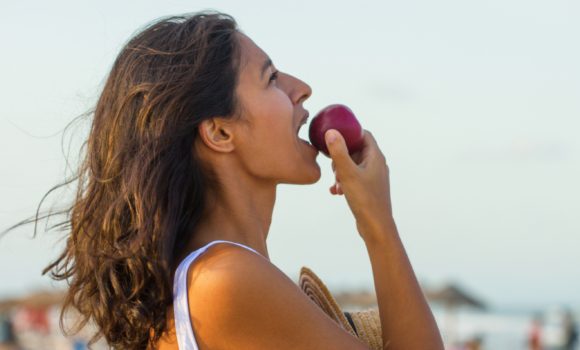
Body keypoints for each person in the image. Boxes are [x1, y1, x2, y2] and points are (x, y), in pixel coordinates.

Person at [9, 11, 444, 350]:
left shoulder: (211, 275)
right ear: (219, 132)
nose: (302, 88)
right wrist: (378, 225)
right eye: (271, 78)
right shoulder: (225, 280)